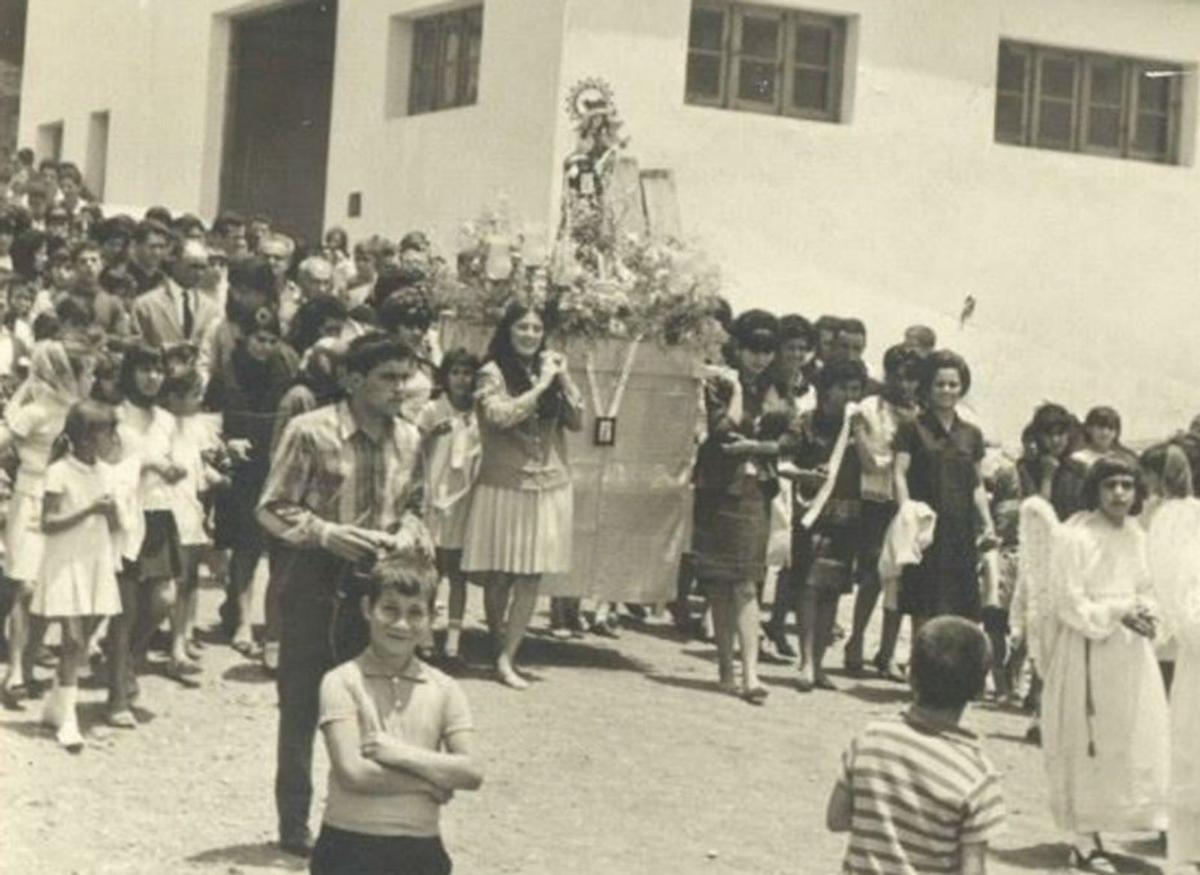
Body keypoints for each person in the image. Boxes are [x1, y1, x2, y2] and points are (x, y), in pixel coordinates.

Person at [258, 331, 427, 856]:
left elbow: (416, 504)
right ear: (354, 380)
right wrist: (326, 533)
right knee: (304, 706)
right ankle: (293, 822)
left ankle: (363, 821)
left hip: (378, 589)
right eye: (388, 378)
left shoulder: (411, 438)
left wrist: (407, 532)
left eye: (407, 377)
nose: (402, 388)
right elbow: (270, 507)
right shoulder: (312, 431)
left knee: (376, 706)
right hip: (314, 580)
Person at [311, 550, 482, 875]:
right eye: (389, 609)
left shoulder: (445, 688)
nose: (402, 623)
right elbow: (353, 773)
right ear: (367, 609)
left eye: (415, 612)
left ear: (432, 618)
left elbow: (472, 772)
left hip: (420, 849)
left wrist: (399, 753)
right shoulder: (341, 681)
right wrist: (429, 782)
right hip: (349, 846)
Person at [1041, 455, 1169, 869]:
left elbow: (1148, 585)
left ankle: (1146, 824)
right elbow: (1068, 600)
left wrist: (1148, 613)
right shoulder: (1075, 535)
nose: (1118, 493)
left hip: (1130, 657)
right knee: (1086, 741)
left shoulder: (1137, 535)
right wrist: (1116, 614)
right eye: (1110, 484)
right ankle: (1084, 837)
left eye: (1126, 486)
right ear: (1095, 489)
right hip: (1088, 653)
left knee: (1131, 739)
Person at [460, 300, 583, 690]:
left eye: (535, 328)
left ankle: (507, 656)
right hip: (505, 482)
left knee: (531, 575)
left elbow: (578, 421)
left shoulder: (551, 369)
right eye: (522, 328)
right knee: (500, 575)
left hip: (548, 484)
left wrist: (562, 380)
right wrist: (542, 385)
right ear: (508, 332)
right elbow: (498, 417)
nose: (530, 335)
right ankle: (498, 642)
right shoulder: (491, 373)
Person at [827, 616, 1004, 875]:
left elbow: (836, 819)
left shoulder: (872, 739)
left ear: (912, 677)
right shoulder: (978, 776)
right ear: (979, 690)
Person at [692, 309, 786, 703]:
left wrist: (756, 446)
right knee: (718, 581)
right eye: (752, 348)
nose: (759, 357)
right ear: (739, 347)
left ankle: (750, 673)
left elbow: (790, 440)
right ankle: (726, 668)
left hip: (755, 489)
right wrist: (740, 393)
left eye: (766, 350)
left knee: (748, 581)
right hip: (718, 488)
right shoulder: (719, 383)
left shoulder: (778, 388)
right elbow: (720, 431)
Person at [1, 341, 87, 709]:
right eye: (82, 371)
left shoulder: (80, 410)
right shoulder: (36, 411)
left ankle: (31, 658)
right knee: (25, 583)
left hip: (64, 495)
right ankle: (16, 669)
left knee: (46, 588)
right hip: (31, 494)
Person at [33, 400, 122, 751]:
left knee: (82, 641)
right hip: (66, 562)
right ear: (86, 437)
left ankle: (57, 704)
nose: (113, 438)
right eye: (107, 432)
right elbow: (48, 523)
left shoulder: (105, 472)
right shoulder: (59, 472)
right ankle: (67, 720)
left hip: (95, 561)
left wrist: (112, 513)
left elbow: (111, 525)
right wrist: (90, 508)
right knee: (71, 640)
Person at [206, 303, 295, 654]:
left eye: (272, 340)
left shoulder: (285, 371)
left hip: (275, 466)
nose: (265, 347)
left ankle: (263, 619)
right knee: (244, 546)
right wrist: (227, 443)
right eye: (259, 339)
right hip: (240, 468)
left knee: (272, 548)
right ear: (246, 339)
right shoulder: (227, 371)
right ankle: (242, 621)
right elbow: (208, 422)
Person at [107, 343, 188, 725]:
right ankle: (116, 696)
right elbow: (106, 466)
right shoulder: (115, 415)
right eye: (144, 369)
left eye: (158, 370)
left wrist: (173, 468)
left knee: (163, 599)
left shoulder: (168, 420)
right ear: (130, 372)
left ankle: (127, 662)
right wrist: (145, 463)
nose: (153, 377)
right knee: (125, 609)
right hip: (125, 516)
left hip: (158, 514)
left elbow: (174, 460)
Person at [893, 350, 995, 629]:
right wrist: (907, 512)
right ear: (928, 386)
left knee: (960, 608)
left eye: (953, 384)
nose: (947, 390)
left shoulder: (971, 434)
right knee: (922, 604)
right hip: (925, 528)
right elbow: (899, 472)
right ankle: (920, 666)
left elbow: (976, 484)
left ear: (962, 388)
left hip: (960, 530)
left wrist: (987, 524)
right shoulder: (912, 428)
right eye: (940, 384)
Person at [785, 358, 867, 692]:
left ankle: (819, 663)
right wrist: (806, 475)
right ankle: (804, 661)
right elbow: (783, 460)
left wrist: (861, 434)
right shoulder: (806, 423)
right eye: (844, 388)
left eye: (856, 389)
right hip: (812, 514)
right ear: (827, 390)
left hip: (848, 518)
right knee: (809, 587)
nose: (850, 396)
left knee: (833, 590)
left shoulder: (861, 427)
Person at [842, 344, 921, 681]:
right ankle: (855, 640)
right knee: (873, 576)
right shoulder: (869, 408)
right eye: (899, 377)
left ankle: (886, 652)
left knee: (900, 578)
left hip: (907, 503)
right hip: (874, 499)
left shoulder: (922, 412)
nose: (905, 385)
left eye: (912, 379)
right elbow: (868, 457)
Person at [1142, 443, 1200, 872]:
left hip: (1170, 635)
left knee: (1172, 730)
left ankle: (1172, 823)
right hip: (1178, 633)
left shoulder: (1169, 516)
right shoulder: (1179, 515)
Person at [416, 348, 482, 662]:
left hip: (464, 498)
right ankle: (426, 636)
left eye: (467, 373)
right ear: (446, 376)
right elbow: (411, 447)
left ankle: (453, 642)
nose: (461, 379)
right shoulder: (432, 410)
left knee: (457, 572)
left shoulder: (479, 413)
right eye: (455, 372)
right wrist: (430, 435)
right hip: (434, 498)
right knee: (431, 570)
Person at [132, 238, 220, 352]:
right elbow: (135, 347)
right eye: (193, 266)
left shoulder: (211, 308)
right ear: (175, 263)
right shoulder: (145, 304)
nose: (199, 273)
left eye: (203, 267)